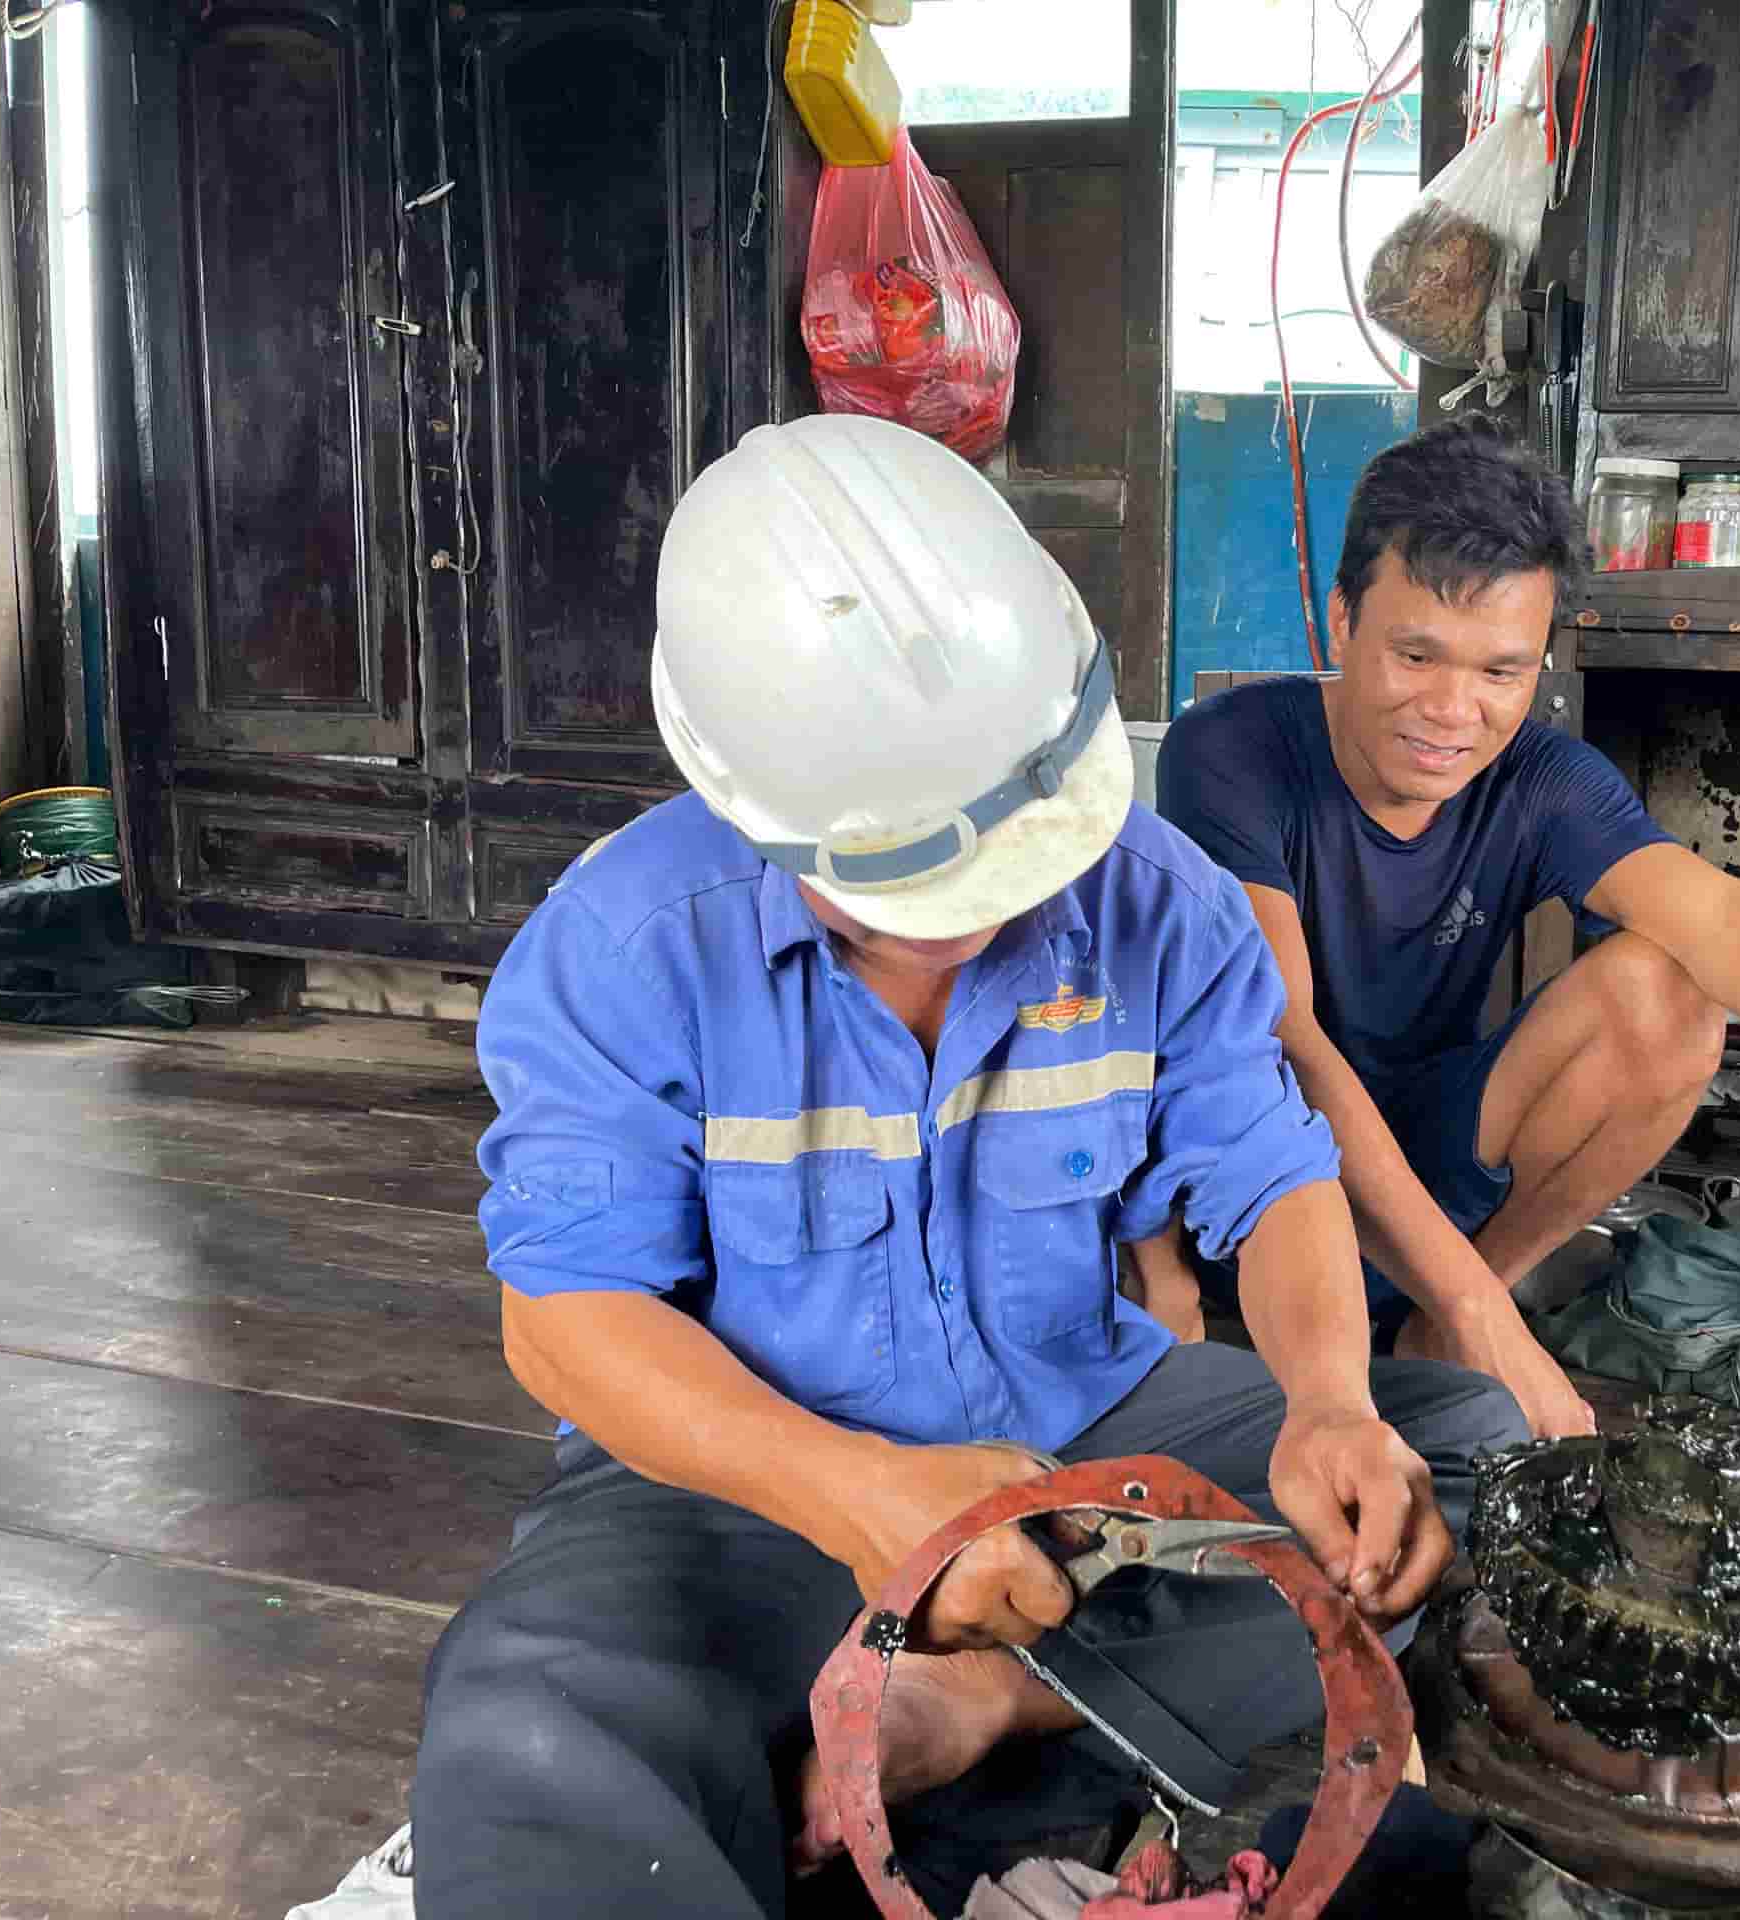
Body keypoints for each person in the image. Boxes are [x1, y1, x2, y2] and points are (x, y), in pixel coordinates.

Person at [407, 415, 1526, 1920]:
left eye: (1013, 872)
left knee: (1462, 1459)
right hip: (750, 1477)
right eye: (908, 895)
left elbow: (1272, 1178)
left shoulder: (1158, 900)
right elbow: (562, 1317)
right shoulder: (623, 948)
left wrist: (1329, 1401)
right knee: (535, 1719)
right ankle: (995, 1696)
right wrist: (868, 1499)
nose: (977, 927)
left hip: (1080, 1423)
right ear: (756, 808)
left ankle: (996, 1707)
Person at [1158, 419, 1740, 1442]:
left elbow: (1738, 928)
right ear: (1341, 621)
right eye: (1415, 654)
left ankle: (1434, 1325)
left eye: (1499, 673)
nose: (1451, 711)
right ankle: (1460, 1316)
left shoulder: (1543, 782)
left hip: (1431, 1157)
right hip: (1254, 1184)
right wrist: (1494, 1325)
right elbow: (1282, 1052)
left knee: (1668, 987)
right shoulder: (1232, 754)